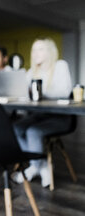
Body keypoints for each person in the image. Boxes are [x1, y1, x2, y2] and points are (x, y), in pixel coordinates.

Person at [12, 38, 72, 187]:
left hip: (61, 117)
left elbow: (65, 92)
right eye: (34, 50)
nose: (36, 53)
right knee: (15, 127)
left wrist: (39, 91)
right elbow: (21, 90)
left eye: (40, 49)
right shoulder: (32, 71)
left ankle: (33, 168)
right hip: (39, 115)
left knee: (33, 131)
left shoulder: (60, 66)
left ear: (50, 51)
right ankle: (42, 164)